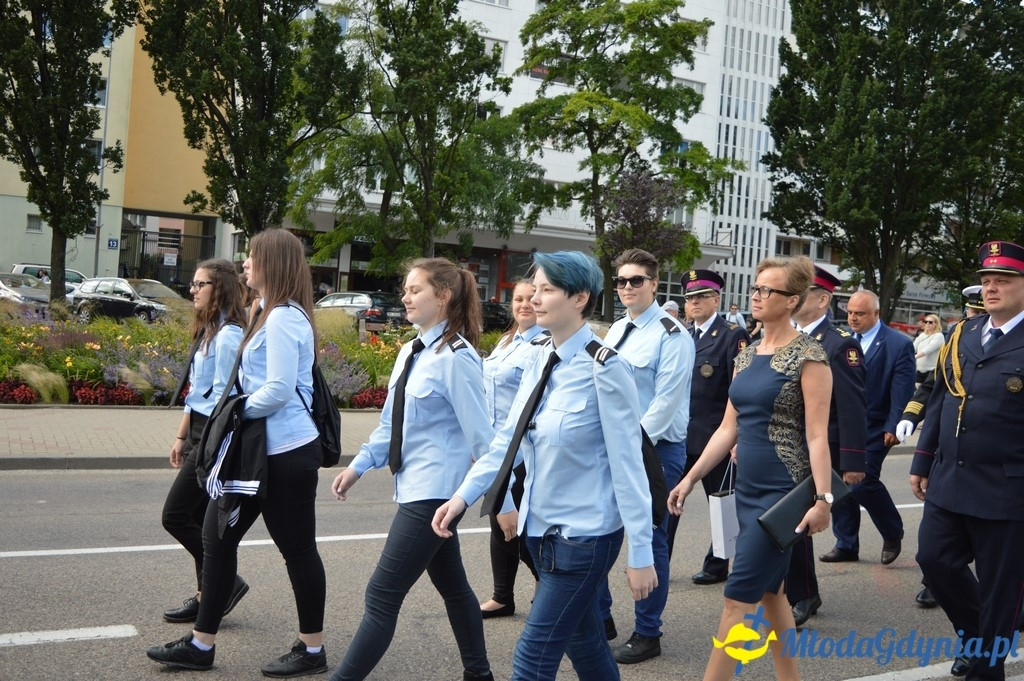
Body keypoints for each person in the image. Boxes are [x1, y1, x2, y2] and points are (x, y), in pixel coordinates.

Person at [432, 250, 657, 681]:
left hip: (583, 539)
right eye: (534, 288)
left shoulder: (605, 369)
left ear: (579, 298)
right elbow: (507, 442)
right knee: (585, 642)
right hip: (541, 536)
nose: (534, 298)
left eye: (547, 289)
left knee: (532, 661)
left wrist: (641, 554)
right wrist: (462, 496)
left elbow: (629, 467)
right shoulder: (537, 354)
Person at [146, 229, 328, 677]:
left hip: (286, 452)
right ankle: (201, 646)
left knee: (298, 551)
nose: (245, 264)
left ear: (274, 263)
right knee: (216, 536)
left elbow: (280, 390)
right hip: (254, 450)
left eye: (252, 257)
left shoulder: (285, 317)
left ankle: (311, 650)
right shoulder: (262, 311)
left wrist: (235, 410)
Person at [668, 255, 833, 681]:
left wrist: (823, 499)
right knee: (770, 593)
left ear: (792, 299)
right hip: (747, 489)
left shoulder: (810, 356)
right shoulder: (746, 355)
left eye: (767, 290)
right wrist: (690, 478)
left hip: (782, 492)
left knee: (736, 601)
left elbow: (817, 435)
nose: (756, 296)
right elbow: (728, 430)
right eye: (756, 288)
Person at [330, 257, 495, 681]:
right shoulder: (412, 350)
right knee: (456, 590)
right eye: (404, 289)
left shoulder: (458, 357)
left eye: (414, 289)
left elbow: (484, 443)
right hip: (416, 486)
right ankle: (480, 675)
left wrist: (504, 501)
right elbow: (392, 422)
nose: (404, 297)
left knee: (382, 594)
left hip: (435, 494)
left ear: (443, 296)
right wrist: (360, 465)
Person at [912, 240, 1024, 681]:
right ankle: (979, 640)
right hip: (951, 479)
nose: (992, 288)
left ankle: (987, 667)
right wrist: (921, 461)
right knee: (934, 561)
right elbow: (941, 399)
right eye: (986, 280)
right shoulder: (964, 333)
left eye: (1004, 280)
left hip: (1008, 488)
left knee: (1001, 592)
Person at [596, 248, 693, 664]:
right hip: (616, 445)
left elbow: (665, 404)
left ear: (655, 284)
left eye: (637, 280)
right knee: (594, 529)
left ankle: (648, 633)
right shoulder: (617, 331)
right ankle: (601, 619)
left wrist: (628, 445)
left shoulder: (673, 335)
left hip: (656, 450)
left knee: (650, 540)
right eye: (621, 281)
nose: (627, 288)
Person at [160, 258, 249, 625]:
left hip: (213, 435)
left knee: (175, 516)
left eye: (201, 285)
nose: (193, 291)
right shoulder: (211, 330)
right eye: (193, 284)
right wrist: (181, 435)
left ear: (220, 288)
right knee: (198, 517)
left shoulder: (228, 336)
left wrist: (204, 442)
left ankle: (225, 583)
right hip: (197, 429)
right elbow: (198, 391)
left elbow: (229, 396)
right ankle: (206, 594)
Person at [785, 266, 867, 627]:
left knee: (797, 524)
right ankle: (791, 588)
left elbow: (851, 407)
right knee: (785, 522)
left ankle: (804, 593)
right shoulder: (786, 338)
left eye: (806, 290)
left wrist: (852, 461)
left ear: (822, 300)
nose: (797, 295)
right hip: (786, 446)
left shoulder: (839, 345)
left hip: (821, 448)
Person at [667, 269, 750, 586]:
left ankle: (718, 565)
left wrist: (738, 433)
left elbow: (740, 388)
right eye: (690, 298)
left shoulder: (732, 336)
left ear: (717, 299)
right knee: (670, 501)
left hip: (716, 435)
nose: (695, 303)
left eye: (702, 296)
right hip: (679, 435)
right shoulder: (681, 335)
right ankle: (659, 560)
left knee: (723, 503)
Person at [821, 290, 914, 566]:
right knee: (840, 483)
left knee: (863, 483)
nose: (853, 318)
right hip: (844, 425)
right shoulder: (843, 341)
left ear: (876, 313)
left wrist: (894, 425)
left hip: (876, 426)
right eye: (850, 312)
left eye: (860, 313)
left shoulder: (898, 344)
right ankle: (846, 543)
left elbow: (902, 388)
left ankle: (892, 531)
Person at [479, 280, 543, 620]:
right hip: (496, 447)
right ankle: (502, 596)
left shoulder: (543, 344)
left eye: (531, 299)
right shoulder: (506, 342)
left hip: (523, 452)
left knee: (518, 526)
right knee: (497, 521)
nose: (524, 305)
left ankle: (546, 585)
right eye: (518, 299)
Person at [913, 314, 944, 383]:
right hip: (919, 370)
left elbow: (928, 350)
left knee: (926, 392)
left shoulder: (939, 336)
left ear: (936, 324)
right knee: (917, 392)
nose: (927, 324)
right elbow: (913, 346)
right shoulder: (922, 335)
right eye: (925, 322)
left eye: (930, 322)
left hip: (931, 371)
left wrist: (914, 357)